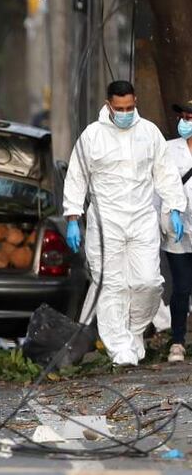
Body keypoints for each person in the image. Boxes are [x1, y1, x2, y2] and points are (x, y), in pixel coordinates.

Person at [64, 81, 186, 366]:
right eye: (120, 109)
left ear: (136, 101)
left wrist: (175, 208)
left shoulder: (149, 133)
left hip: (142, 218)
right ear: (108, 105)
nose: (125, 113)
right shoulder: (92, 136)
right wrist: (72, 217)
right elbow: (76, 177)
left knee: (149, 282)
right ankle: (119, 347)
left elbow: (165, 173)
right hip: (106, 222)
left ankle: (134, 331)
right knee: (111, 285)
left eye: (130, 107)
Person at [162, 100, 192, 363]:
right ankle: (178, 341)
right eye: (184, 117)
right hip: (178, 231)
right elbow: (159, 186)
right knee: (182, 287)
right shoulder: (169, 150)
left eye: (190, 118)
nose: (185, 122)